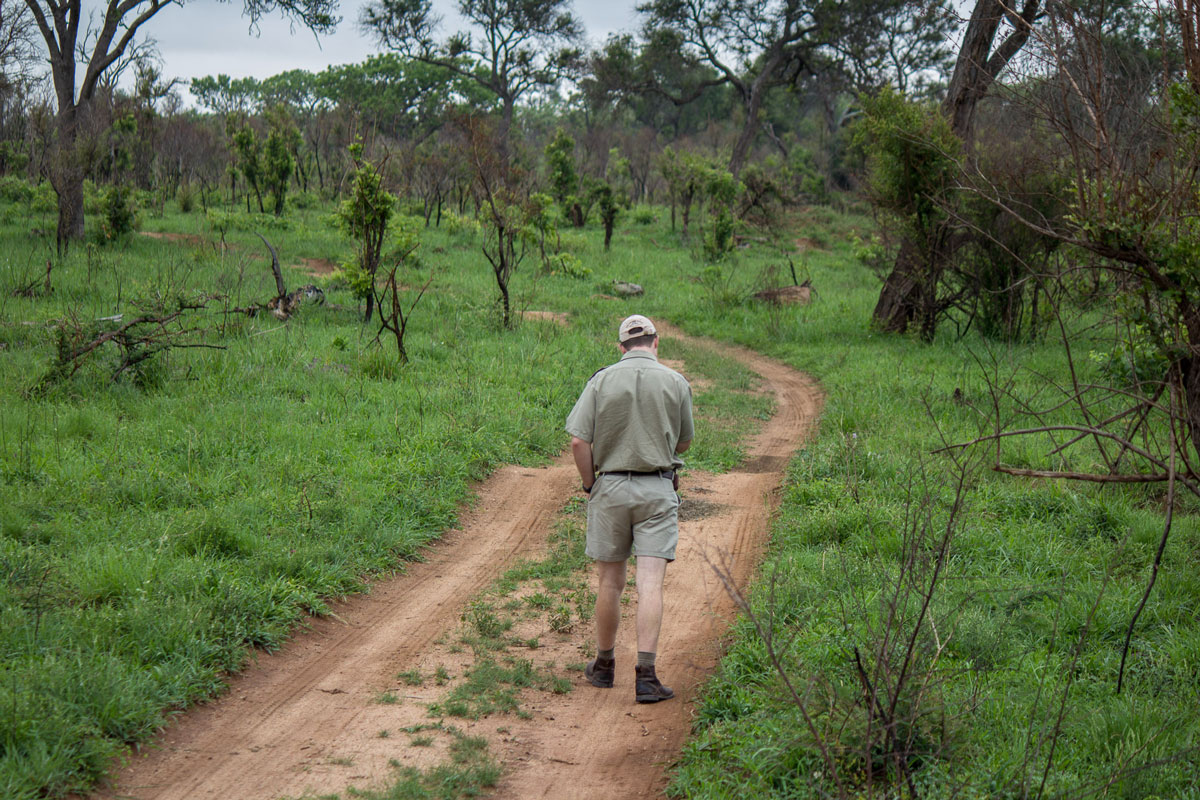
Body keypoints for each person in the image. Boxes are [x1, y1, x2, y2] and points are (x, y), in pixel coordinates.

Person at [565, 314, 694, 703]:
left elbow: (577, 441)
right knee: (650, 582)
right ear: (656, 342)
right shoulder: (675, 381)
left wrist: (591, 484)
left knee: (610, 582)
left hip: (611, 487)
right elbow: (684, 444)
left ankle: (604, 666)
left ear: (621, 347)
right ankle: (646, 676)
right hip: (657, 488)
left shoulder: (601, 380)